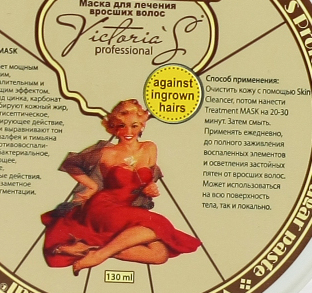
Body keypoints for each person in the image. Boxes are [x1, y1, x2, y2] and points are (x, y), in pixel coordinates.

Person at [41, 99, 201, 273]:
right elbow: (70, 163)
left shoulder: (149, 148)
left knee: (159, 254)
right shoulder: (107, 153)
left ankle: (90, 249)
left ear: (142, 125)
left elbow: (148, 179)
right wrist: (92, 186)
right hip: (102, 208)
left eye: (134, 126)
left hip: (126, 210)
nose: (128, 132)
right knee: (160, 224)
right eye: (121, 126)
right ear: (114, 128)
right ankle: (99, 256)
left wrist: (150, 187)